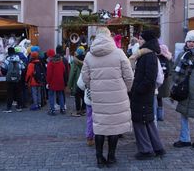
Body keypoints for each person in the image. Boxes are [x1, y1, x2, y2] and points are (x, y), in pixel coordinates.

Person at [81, 26, 134, 168]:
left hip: (98, 96)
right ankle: (111, 157)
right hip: (117, 95)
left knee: (99, 126)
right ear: (109, 36)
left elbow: (85, 78)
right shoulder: (119, 53)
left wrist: (93, 86)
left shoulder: (89, 55)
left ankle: (99, 158)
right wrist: (126, 89)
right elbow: (129, 76)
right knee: (114, 127)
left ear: (96, 37)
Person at [130, 30, 165, 159]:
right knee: (148, 121)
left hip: (142, 95)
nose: (139, 41)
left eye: (141, 39)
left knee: (140, 121)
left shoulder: (148, 56)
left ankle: (146, 150)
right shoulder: (147, 54)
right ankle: (158, 147)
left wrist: (137, 90)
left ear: (147, 41)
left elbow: (150, 79)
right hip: (144, 94)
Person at [173, 30, 194, 148]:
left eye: (193, 41)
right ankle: (184, 139)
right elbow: (175, 69)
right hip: (183, 91)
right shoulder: (181, 55)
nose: (191, 43)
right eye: (189, 41)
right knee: (183, 115)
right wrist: (177, 82)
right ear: (186, 42)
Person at [2, 47, 25, 113]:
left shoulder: (7, 60)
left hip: (9, 79)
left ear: (8, 52)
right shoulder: (19, 59)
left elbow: (3, 69)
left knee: (9, 93)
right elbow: (23, 68)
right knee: (18, 92)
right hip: (18, 79)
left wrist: (7, 74)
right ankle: (19, 106)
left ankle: (9, 108)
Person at [46, 48, 66, 115]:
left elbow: (49, 74)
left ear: (49, 55)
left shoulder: (50, 63)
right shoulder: (60, 61)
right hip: (60, 81)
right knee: (60, 95)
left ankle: (52, 110)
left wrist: (48, 82)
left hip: (52, 81)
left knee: (51, 95)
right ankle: (62, 109)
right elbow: (64, 70)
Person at [68, 46, 86, 117]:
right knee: (84, 96)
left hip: (77, 82)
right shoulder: (87, 60)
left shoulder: (75, 61)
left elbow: (72, 73)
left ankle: (78, 110)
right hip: (85, 81)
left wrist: (69, 85)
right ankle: (83, 110)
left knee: (77, 97)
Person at [156, 44, 172, 121]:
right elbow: (169, 71)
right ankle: (160, 115)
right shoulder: (168, 59)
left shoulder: (158, 58)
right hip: (164, 83)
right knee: (159, 99)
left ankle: (157, 114)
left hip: (159, 82)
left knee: (156, 98)